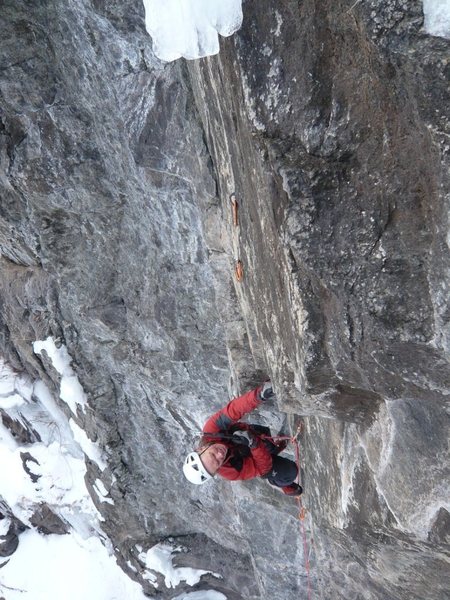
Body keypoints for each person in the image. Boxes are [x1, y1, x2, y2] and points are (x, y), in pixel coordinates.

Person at [183, 382, 303, 496]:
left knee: (268, 442)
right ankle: (280, 484)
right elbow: (262, 468)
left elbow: (234, 409)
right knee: (290, 471)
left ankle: (276, 445)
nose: (220, 455)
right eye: (218, 462)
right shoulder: (231, 472)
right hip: (255, 454)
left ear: (202, 448)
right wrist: (253, 444)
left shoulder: (212, 431)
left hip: (250, 436)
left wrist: (259, 395)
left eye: (213, 454)